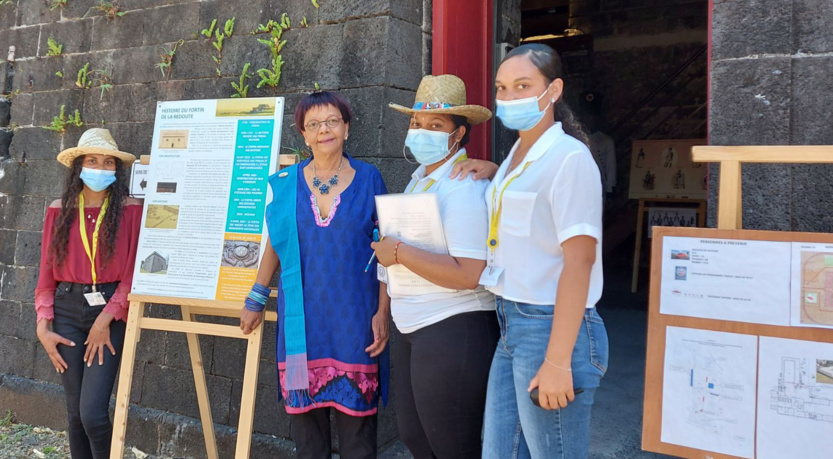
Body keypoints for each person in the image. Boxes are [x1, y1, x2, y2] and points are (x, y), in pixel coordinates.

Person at [452, 43, 609, 458]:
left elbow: (580, 260)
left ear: (553, 90)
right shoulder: (516, 157)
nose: (509, 98)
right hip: (512, 324)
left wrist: (557, 363)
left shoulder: (569, 159)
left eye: (523, 86)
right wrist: (493, 172)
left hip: (552, 326)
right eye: (502, 88)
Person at [239, 91, 390, 459]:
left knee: (358, 438)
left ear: (347, 128)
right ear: (303, 135)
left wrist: (383, 312)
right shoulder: (286, 182)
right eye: (314, 124)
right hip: (301, 323)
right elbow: (276, 242)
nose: (324, 130)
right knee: (308, 440)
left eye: (332, 121)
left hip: (355, 323)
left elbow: (387, 249)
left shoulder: (370, 179)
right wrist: (256, 299)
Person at [370, 74, 498, 458]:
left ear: (458, 135)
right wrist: (383, 310)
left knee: (452, 445)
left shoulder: (464, 188)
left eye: (435, 126)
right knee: (416, 437)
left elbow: (468, 272)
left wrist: (400, 253)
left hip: (452, 327)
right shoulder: (418, 183)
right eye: (416, 123)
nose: (421, 131)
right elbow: (390, 253)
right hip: (412, 325)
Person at [34, 128, 141, 459]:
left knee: (93, 414)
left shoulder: (130, 209)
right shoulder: (58, 209)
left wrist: (105, 319)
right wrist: (43, 325)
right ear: (78, 166)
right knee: (75, 416)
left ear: (116, 170)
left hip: (109, 313)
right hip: (66, 311)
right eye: (92, 160)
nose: (100, 167)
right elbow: (46, 274)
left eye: (108, 162)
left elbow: (133, 275)